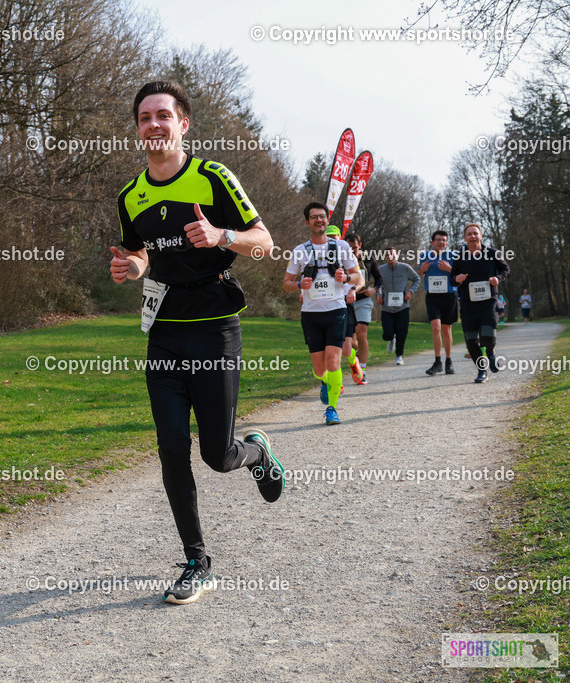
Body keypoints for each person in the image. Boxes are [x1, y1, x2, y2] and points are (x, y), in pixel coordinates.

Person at [110, 81, 283, 605]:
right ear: (137, 128)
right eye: (144, 117)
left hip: (213, 327)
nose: (153, 124)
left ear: (183, 124)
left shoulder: (212, 177)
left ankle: (254, 452)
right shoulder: (131, 196)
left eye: (163, 115)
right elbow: (142, 255)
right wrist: (130, 266)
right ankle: (196, 560)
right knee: (170, 449)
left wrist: (222, 237)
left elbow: (266, 243)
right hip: (164, 331)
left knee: (215, 454)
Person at [283, 203, 363, 425]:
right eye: (313, 217)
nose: (318, 220)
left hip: (336, 311)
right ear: (307, 222)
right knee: (319, 369)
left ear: (328, 220)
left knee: (333, 361)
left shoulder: (341, 247)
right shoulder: (300, 251)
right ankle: (328, 382)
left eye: (322, 216)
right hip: (310, 314)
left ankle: (332, 409)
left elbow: (357, 276)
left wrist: (346, 279)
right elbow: (287, 284)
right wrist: (300, 283)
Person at [452, 224, 510, 382]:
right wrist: (457, 279)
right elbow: (452, 277)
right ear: (465, 238)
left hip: (488, 302)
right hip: (468, 304)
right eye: (469, 234)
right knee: (471, 341)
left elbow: (505, 269)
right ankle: (481, 371)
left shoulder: (492, 253)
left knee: (487, 335)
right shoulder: (459, 256)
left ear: (481, 236)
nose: (472, 236)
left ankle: (490, 353)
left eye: (475, 233)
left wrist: (497, 279)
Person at [325, 226, 363, 386]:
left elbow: (360, 278)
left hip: (344, 305)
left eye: (335, 237)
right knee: (329, 347)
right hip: (325, 305)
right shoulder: (319, 255)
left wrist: (353, 289)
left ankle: (354, 361)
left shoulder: (347, 255)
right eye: (329, 237)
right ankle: (335, 383)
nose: (332, 240)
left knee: (347, 350)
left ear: (340, 238)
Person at [418, 230, 458, 376]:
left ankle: (448, 361)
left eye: (444, 240)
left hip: (448, 296)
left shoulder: (453, 256)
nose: (441, 242)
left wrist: (449, 269)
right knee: (436, 327)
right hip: (433, 297)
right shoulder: (425, 256)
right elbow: (419, 275)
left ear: (446, 243)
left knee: (447, 330)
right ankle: (437, 361)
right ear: (432, 242)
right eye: (438, 240)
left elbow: (459, 275)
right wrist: (422, 270)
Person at [344, 232, 381, 380]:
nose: (352, 250)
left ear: (359, 246)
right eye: (349, 247)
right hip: (347, 301)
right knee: (351, 341)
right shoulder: (341, 258)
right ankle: (356, 361)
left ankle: (363, 371)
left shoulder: (367, 258)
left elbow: (379, 278)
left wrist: (374, 289)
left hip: (363, 299)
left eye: (354, 247)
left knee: (362, 331)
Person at [377, 248, 420, 365]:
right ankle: (391, 339)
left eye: (392, 254)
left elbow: (417, 279)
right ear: (385, 257)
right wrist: (379, 294)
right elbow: (378, 284)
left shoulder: (405, 268)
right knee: (387, 334)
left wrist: (410, 291)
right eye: (387, 255)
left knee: (402, 332)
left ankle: (399, 356)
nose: (390, 257)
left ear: (397, 255)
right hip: (387, 307)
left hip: (402, 307)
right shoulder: (380, 270)